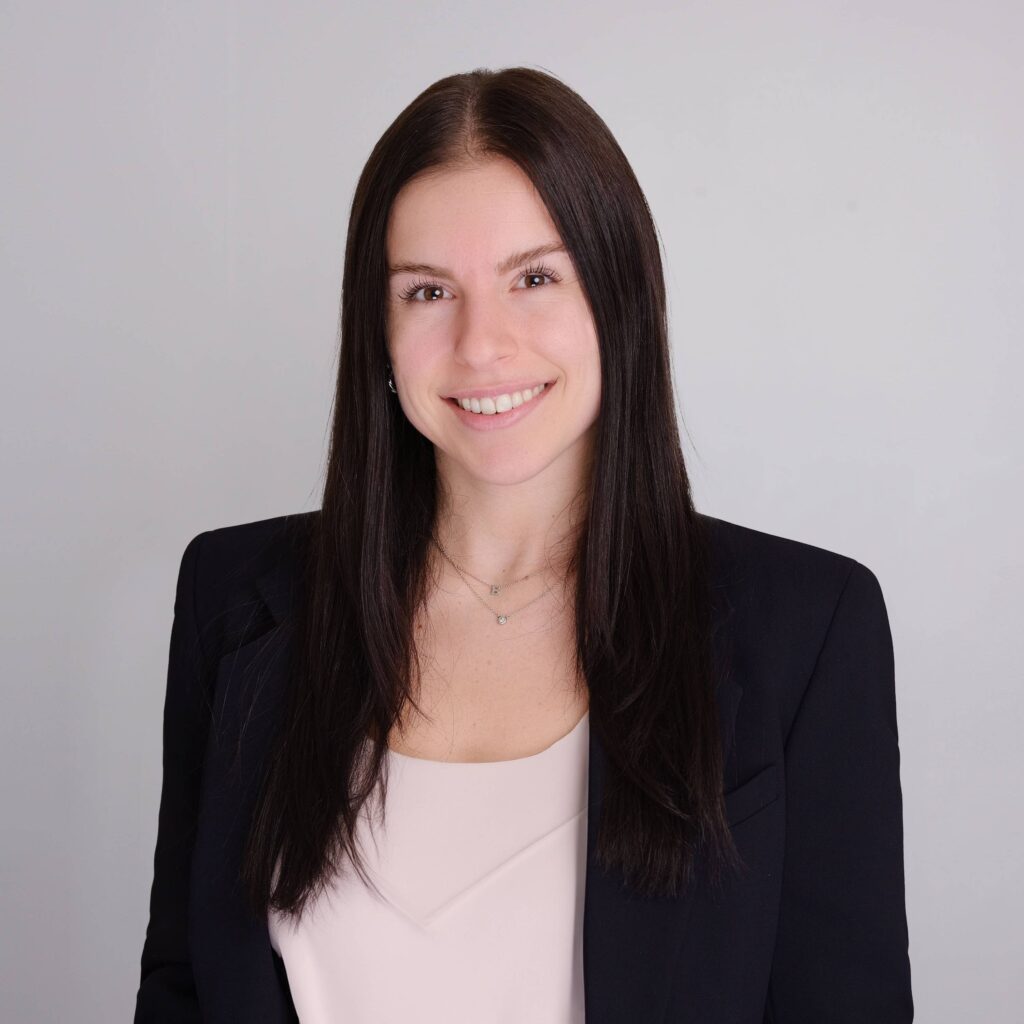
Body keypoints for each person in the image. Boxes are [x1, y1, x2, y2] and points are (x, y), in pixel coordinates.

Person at [133, 67, 914, 1023]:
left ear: (619, 296)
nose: (482, 346)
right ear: (376, 330)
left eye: (535, 278)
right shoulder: (238, 598)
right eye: (427, 292)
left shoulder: (805, 628)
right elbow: (181, 991)